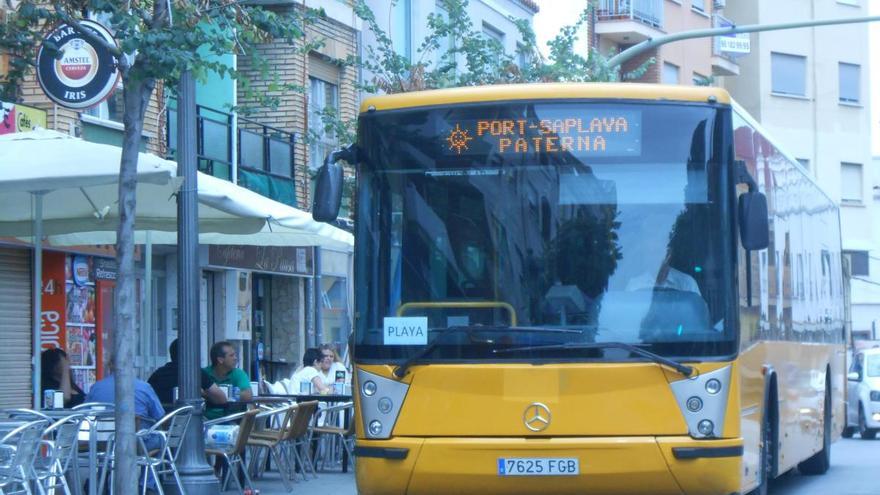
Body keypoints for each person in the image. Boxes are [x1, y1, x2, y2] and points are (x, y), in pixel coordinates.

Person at [148, 339, 227, 412]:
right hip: (190, 420)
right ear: (191, 355)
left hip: (160, 423)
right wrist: (202, 393)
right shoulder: (196, 373)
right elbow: (221, 398)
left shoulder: (158, 374)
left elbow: (147, 397)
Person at [202, 341, 252, 420]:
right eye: (231, 355)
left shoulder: (238, 374)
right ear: (220, 360)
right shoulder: (204, 373)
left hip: (232, 419)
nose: (235, 358)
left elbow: (247, 395)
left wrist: (218, 394)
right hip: (206, 420)